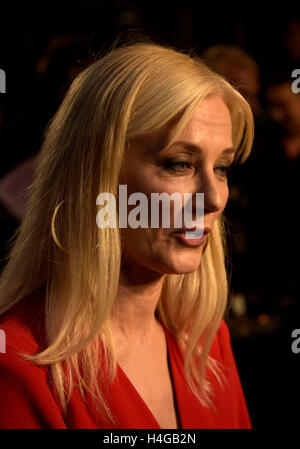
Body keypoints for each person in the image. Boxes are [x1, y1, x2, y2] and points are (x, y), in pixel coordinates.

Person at [0, 42, 254, 429]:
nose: (215, 197)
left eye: (221, 167)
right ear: (97, 176)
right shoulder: (18, 361)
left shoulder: (205, 339)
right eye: (180, 164)